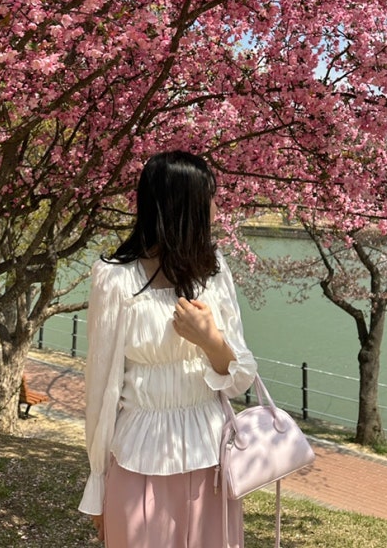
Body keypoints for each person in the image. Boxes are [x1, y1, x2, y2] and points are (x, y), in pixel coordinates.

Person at [78, 150, 257, 547]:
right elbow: (101, 388)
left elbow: (240, 378)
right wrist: (97, 481)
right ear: (183, 207)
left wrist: (209, 340)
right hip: (138, 455)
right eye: (209, 198)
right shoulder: (115, 280)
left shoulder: (213, 271)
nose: (216, 209)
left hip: (211, 459)